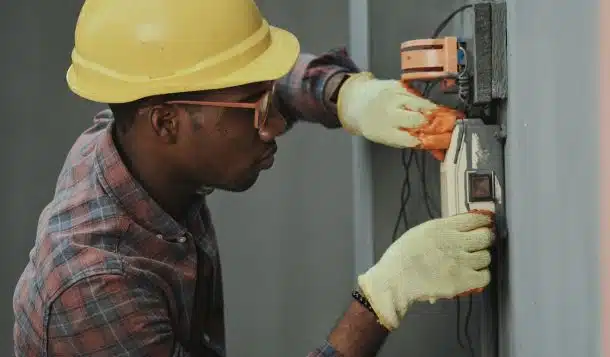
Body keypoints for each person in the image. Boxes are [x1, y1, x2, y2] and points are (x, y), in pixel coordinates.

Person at [12, 1, 495, 356]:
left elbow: (240, 84)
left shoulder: (132, 133)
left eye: (270, 100)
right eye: (256, 108)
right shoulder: (95, 289)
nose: (276, 124)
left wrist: (345, 94)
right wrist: (380, 302)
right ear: (166, 123)